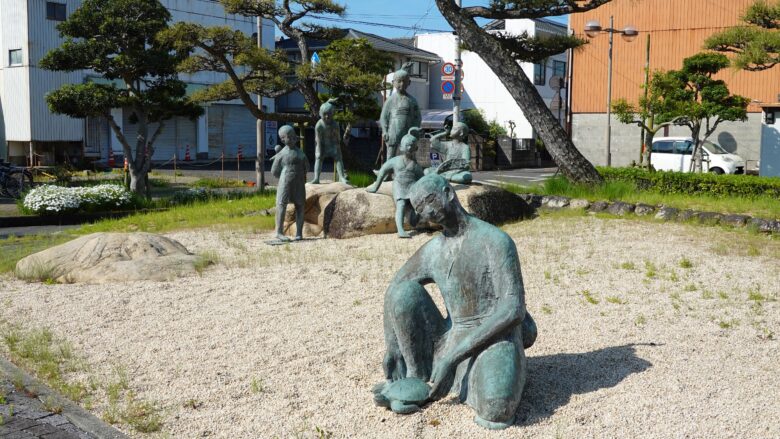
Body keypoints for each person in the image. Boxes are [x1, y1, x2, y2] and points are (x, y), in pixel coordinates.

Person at [376, 174, 537, 429]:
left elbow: (513, 309)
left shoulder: (495, 241)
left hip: (493, 335)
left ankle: (486, 372)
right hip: (450, 336)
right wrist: (393, 347)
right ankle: (417, 375)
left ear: (448, 193)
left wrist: (453, 358)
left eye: (430, 201)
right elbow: (395, 286)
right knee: (403, 293)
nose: (428, 212)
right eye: (420, 210)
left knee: (497, 410)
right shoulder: (433, 250)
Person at [366, 128, 424, 238]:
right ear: (401, 147)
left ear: (416, 148)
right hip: (399, 186)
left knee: (415, 205)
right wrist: (376, 186)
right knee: (401, 205)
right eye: (407, 145)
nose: (409, 148)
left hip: (412, 186)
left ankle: (414, 220)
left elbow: (422, 179)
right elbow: (383, 170)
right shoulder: (396, 160)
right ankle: (400, 230)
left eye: (412, 146)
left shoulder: (416, 166)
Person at [271, 125, 308, 242]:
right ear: (282, 140)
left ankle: (299, 233)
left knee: (300, 205)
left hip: (299, 182)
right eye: (289, 137)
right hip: (285, 181)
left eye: (294, 136)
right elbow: (274, 171)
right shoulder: (281, 154)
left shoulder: (301, 153)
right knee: (281, 204)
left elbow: (307, 167)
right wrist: (284, 176)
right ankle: (279, 232)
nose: (292, 139)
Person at [380, 63, 422, 159]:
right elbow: (383, 117)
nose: (402, 84)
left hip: (408, 131)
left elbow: (417, 117)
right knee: (390, 154)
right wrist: (385, 131)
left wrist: (415, 130)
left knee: (408, 154)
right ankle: (388, 172)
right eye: (399, 81)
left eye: (404, 81)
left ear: (409, 82)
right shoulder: (390, 100)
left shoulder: (412, 100)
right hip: (393, 131)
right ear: (393, 82)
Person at [310, 99, 349, 184]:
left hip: (332, 144)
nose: (327, 117)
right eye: (325, 114)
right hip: (322, 145)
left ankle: (341, 177)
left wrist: (337, 148)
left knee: (339, 158)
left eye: (329, 114)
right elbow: (318, 140)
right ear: (321, 114)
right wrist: (319, 151)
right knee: (318, 158)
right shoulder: (319, 125)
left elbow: (337, 138)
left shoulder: (335, 124)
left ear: (333, 114)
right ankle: (316, 178)